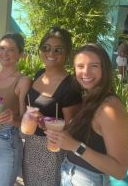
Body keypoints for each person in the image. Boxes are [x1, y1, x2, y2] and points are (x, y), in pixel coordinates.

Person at [47, 44, 128, 186]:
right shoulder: (90, 98)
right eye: (80, 66)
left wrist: (75, 146)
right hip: (70, 173)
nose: (85, 72)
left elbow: (120, 171)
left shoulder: (110, 109)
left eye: (94, 66)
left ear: (105, 68)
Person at [22, 27, 82, 186]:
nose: (51, 53)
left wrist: (48, 123)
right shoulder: (39, 73)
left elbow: (73, 129)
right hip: (30, 144)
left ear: (67, 54)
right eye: (46, 48)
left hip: (51, 151)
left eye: (58, 50)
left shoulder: (70, 86)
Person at [0, 33, 31, 186]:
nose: (4, 53)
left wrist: (13, 118)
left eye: (11, 50)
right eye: (2, 48)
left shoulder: (23, 81)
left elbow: (25, 121)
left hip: (7, 141)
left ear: (20, 54)